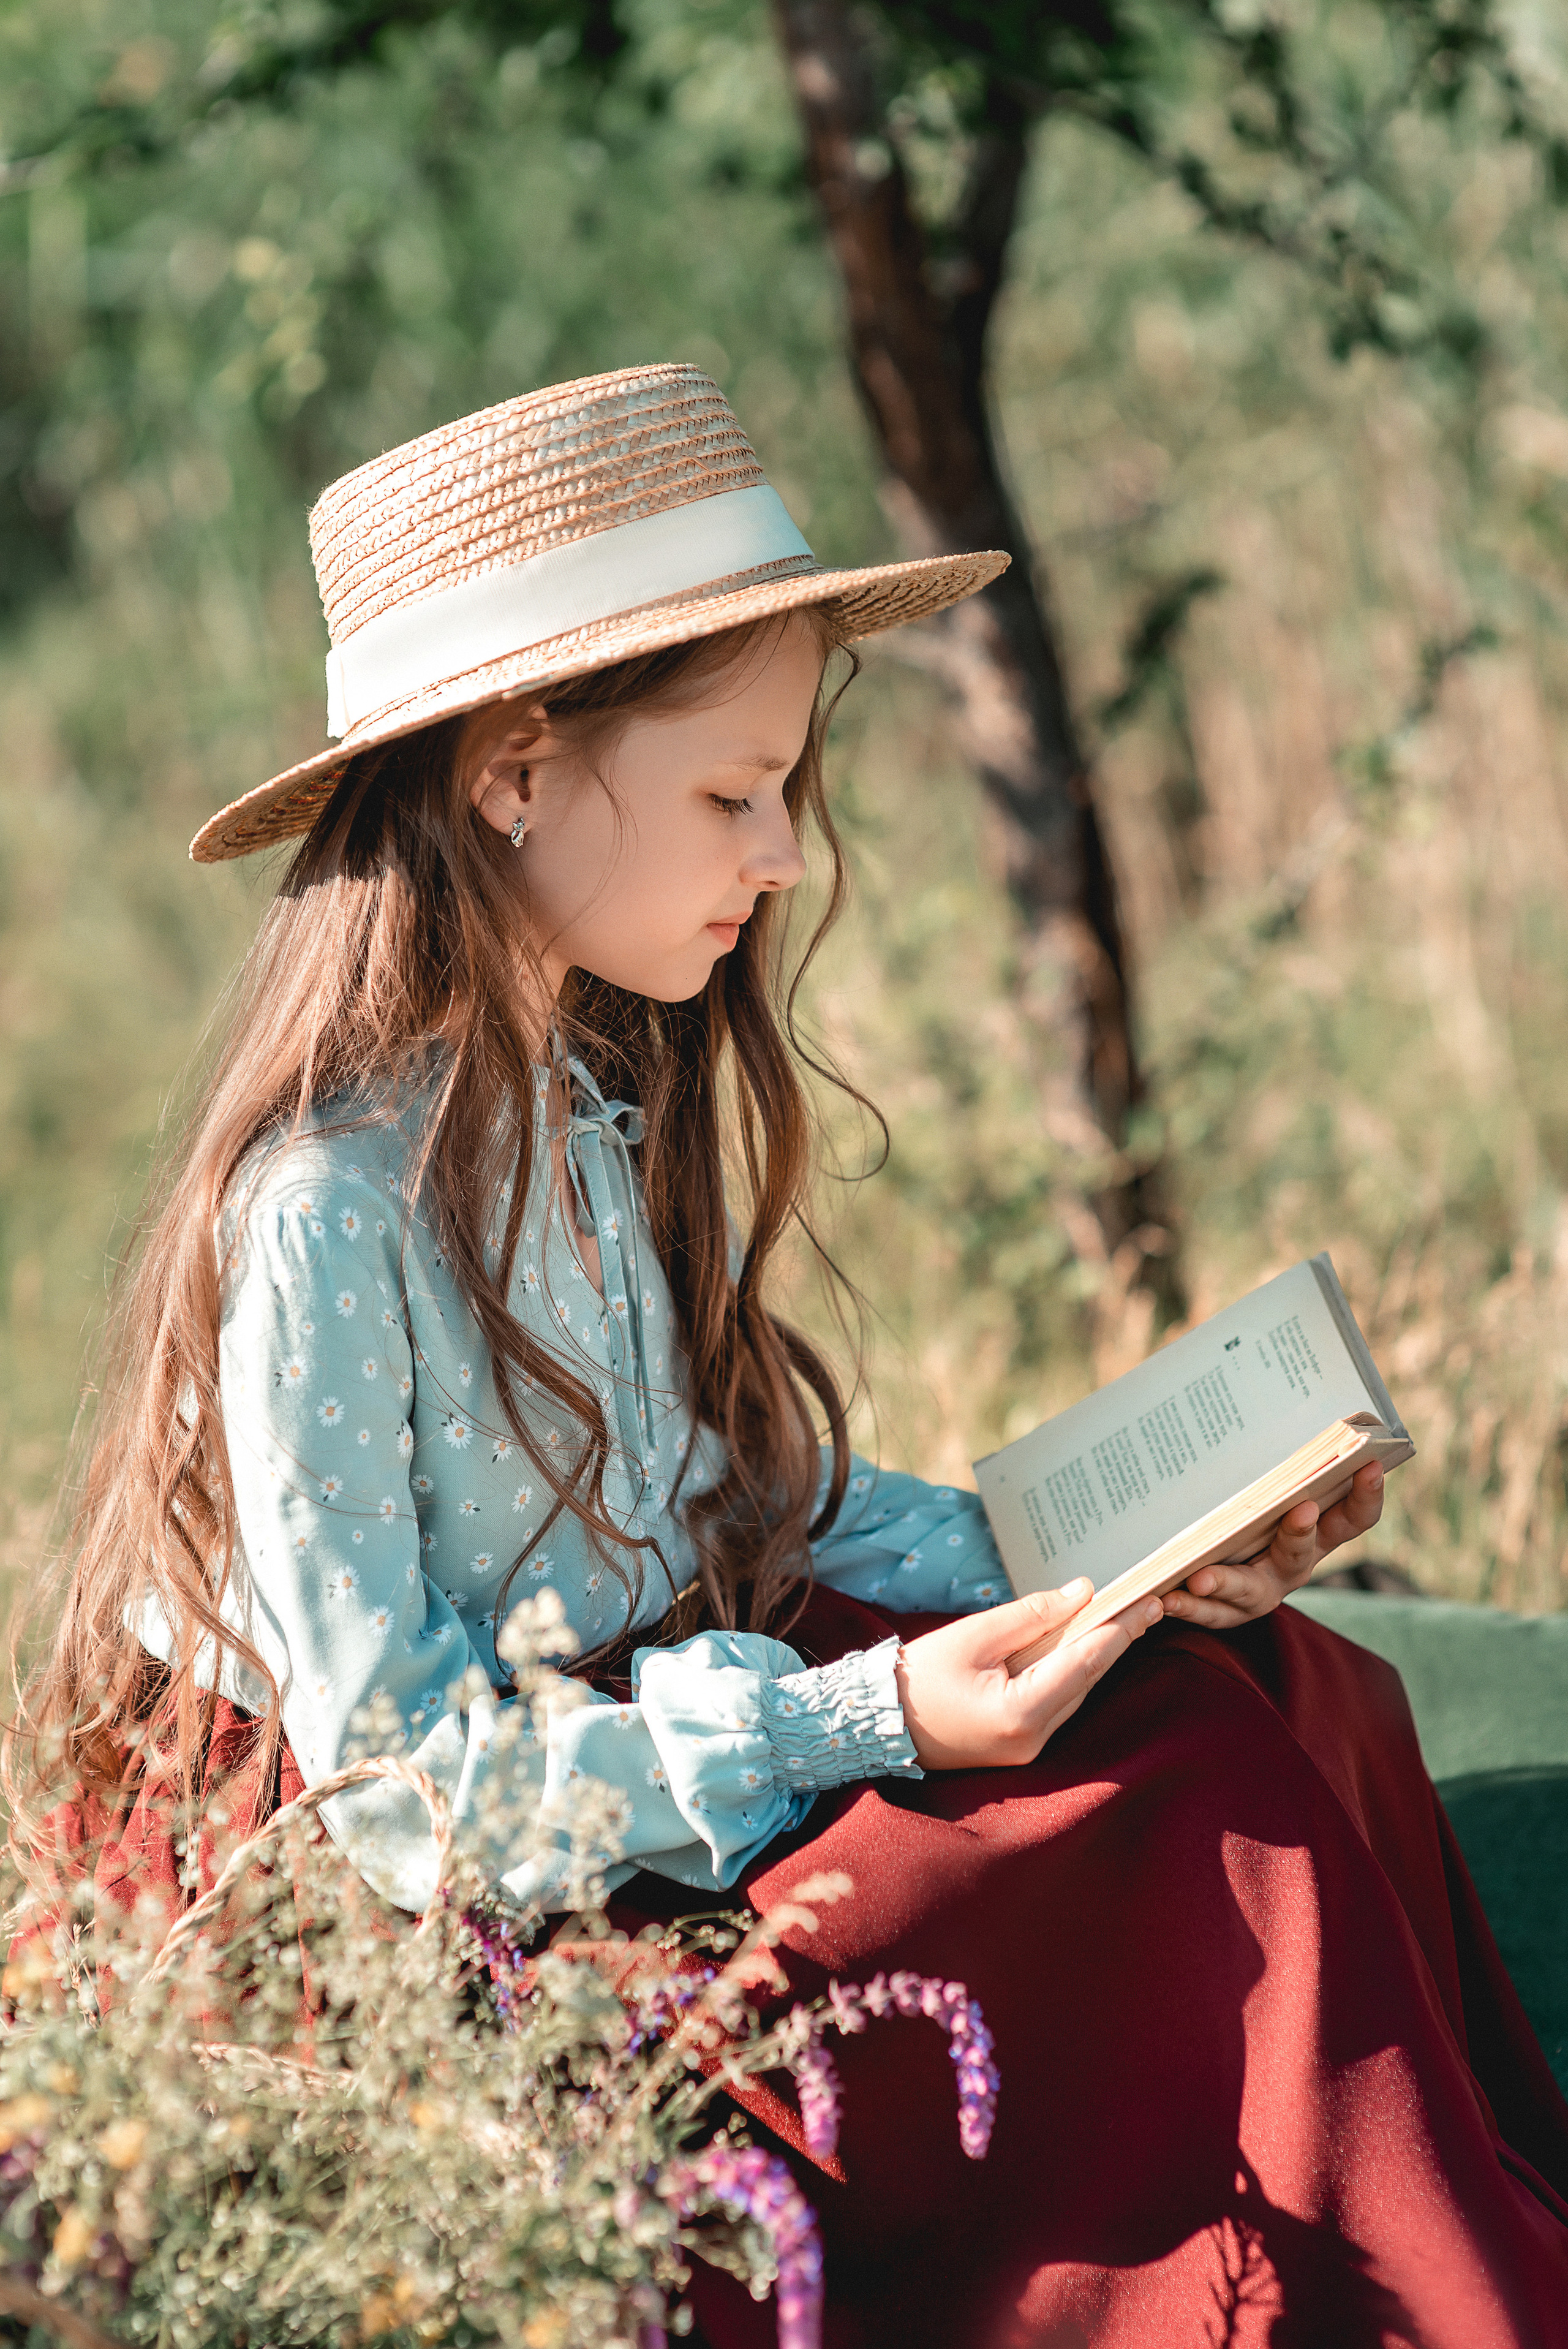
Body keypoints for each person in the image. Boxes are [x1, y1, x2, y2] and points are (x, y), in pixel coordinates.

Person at [7, 365, 1566, 2347]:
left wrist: (1092, 1553)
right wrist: (872, 1719)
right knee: (1164, 1787)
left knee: (1260, 1669)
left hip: (629, 1699)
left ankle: (1454, 2227)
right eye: (734, 795)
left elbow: (711, 1492)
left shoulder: (588, 1090)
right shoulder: (325, 1210)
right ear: (510, 768)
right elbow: (393, 1804)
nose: (785, 854)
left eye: (790, 794)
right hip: (432, 1883)